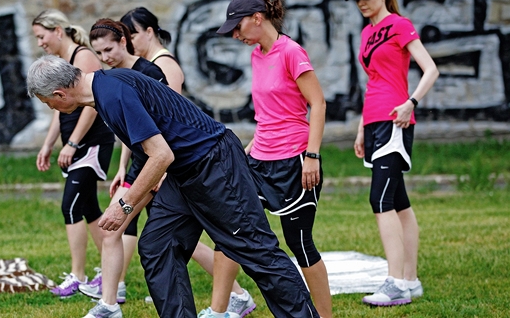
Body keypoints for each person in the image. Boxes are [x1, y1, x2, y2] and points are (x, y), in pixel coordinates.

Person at [26, 55, 319, 318]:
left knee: (256, 251)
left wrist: (125, 204)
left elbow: (161, 154)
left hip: (213, 164)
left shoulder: (112, 92)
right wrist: (130, 192)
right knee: (158, 245)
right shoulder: (104, 90)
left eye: (47, 102)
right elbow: (150, 150)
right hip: (183, 173)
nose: (51, 107)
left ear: (59, 94)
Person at [121, 7, 256, 318]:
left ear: (149, 32)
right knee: (169, 239)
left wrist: (160, 172)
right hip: (159, 164)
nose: (128, 43)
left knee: (190, 237)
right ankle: (223, 295)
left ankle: (234, 295)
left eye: (132, 35)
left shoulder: (165, 67)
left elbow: (169, 122)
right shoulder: (146, 67)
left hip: (175, 166)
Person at [214, 0, 332, 318]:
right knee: (232, 230)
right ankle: (218, 310)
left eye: (237, 28)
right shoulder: (257, 54)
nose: (235, 35)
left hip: (294, 161)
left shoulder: (291, 52)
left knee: (299, 243)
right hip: (260, 159)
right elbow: (269, 112)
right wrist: (250, 148)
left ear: (257, 18)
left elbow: (318, 104)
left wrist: (313, 155)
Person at [345, 0, 439, 306]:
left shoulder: (399, 24)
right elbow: (373, 81)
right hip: (373, 123)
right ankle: (410, 280)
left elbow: (430, 68)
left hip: (395, 122)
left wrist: (410, 103)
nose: (361, 3)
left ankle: (396, 282)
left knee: (381, 200)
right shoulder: (367, 32)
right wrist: (360, 129)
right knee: (399, 202)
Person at [78, 18, 166, 317]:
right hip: (139, 166)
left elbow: (163, 126)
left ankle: (235, 294)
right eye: (99, 53)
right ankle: (109, 303)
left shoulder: (150, 72)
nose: (105, 57)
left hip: (157, 166)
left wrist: (162, 172)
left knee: (170, 238)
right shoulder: (110, 77)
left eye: (109, 49)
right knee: (113, 232)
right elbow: (130, 130)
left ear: (124, 40)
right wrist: (121, 168)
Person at [31, 9, 113, 298]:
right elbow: (59, 110)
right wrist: (49, 144)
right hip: (76, 145)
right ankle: (111, 272)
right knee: (89, 208)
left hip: (91, 145)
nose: (40, 42)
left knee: (71, 205)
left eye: (42, 36)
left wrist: (73, 143)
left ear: (58, 30)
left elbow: (92, 104)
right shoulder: (63, 64)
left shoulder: (84, 57)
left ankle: (79, 275)